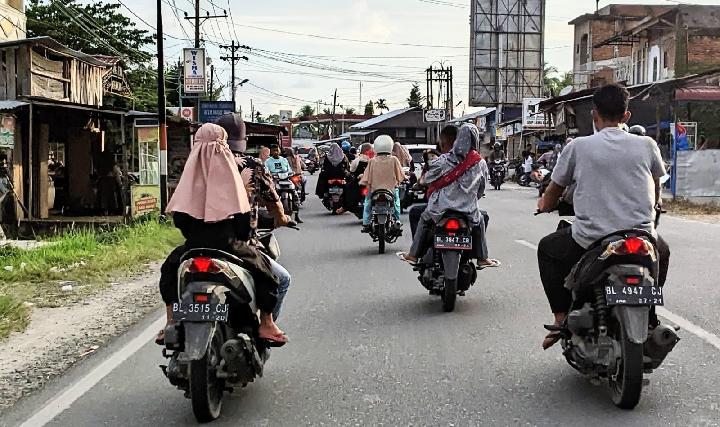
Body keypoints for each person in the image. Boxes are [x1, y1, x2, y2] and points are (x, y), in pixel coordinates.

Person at [536, 84, 671, 350]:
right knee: (663, 253)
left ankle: (561, 319)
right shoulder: (647, 144)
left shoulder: (578, 147)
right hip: (641, 236)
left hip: (592, 239)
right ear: (626, 116)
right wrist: (655, 204)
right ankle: (651, 313)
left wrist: (544, 204)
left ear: (594, 114)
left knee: (548, 249)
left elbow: (554, 190)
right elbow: (656, 185)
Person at [158, 123, 287, 346]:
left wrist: (196, 234)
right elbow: (243, 222)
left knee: (169, 270)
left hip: (193, 246)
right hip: (229, 246)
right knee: (268, 275)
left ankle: (171, 320)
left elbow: (180, 219)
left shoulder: (190, 171)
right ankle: (266, 322)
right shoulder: (232, 170)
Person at [214, 114, 296, 319]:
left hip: (197, 241)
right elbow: (273, 201)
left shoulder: (200, 162)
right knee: (282, 280)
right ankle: (264, 327)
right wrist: (283, 218)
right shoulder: (253, 165)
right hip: (239, 243)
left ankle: (172, 322)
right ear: (243, 140)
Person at [398, 124, 499, 268]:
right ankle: (483, 258)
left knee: (423, 218)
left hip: (440, 209)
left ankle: (413, 255)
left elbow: (426, 179)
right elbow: (481, 188)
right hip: (468, 210)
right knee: (480, 221)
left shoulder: (443, 160)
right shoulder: (480, 163)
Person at [359, 135, 405, 233]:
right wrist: (405, 178)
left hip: (374, 190)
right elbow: (400, 174)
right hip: (391, 190)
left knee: (367, 202)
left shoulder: (372, 161)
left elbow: (366, 177)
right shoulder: (394, 159)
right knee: (396, 202)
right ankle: (397, 220)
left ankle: (366, 222)